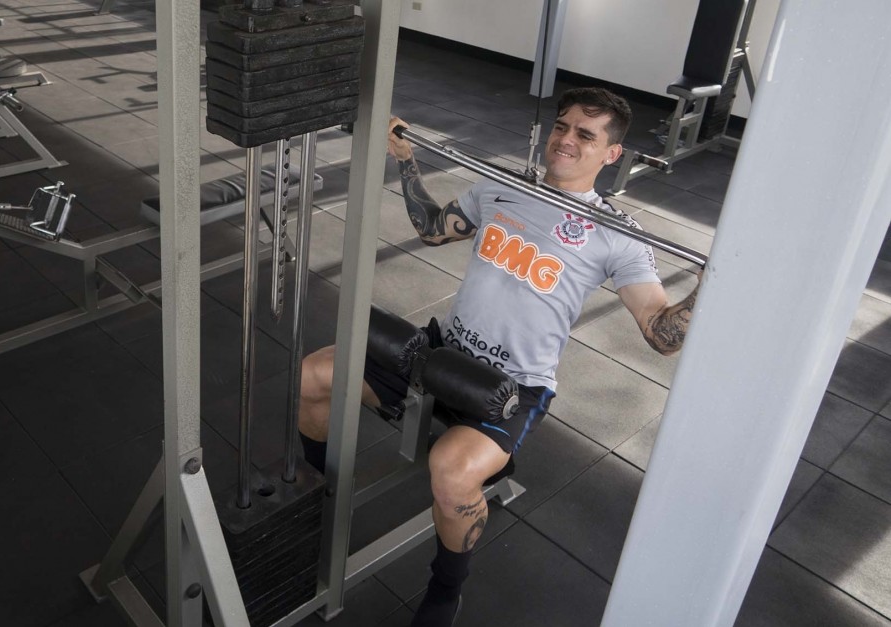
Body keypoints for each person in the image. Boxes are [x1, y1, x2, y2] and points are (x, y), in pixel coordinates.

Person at [297, 87, 701, 627]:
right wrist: (406, 160)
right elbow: (433, 229)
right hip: (438, 353)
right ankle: (320, 493)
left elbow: (659, 332)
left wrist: (707, 290)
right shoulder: (501, 186)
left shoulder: (617, 236)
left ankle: (447, 587)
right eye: (562, 126)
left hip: (513, 387)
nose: (566, 140)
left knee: (450, 471)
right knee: (313, 374)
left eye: (586, 134)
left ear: (611, 155)